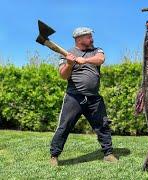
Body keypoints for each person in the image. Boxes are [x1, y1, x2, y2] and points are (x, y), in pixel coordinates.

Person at [50, 27, 118, 166]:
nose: (91, 39)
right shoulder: (67, 54)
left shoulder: (96, 50)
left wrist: (85, 60)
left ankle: (108, 153)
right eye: (88, 37)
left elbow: (101, 59)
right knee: (64, 126)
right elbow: (63, 75)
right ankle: (54, 156)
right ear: (79, 39)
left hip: (94, 98)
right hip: (74, 97)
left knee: (103, 125)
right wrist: (69, 64)